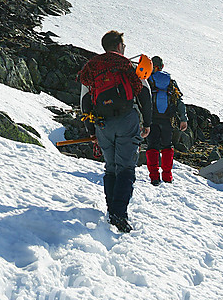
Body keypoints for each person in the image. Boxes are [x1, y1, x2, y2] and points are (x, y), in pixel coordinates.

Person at [78, 30, 152, 233]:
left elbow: (85, 100)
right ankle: (119, 215)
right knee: (126, 168)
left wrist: (90, 129)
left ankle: (112, 211)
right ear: (119, 46)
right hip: (126, 119)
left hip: (102, 123)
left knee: (110, 167)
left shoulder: (92, 67)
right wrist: (147, 122)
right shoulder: (127, 64)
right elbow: (144, 93)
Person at [146, 55, 188, 186]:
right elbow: (179, 101)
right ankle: (167, 176)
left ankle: (154, 177)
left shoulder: (148, 80)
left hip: (152, 119)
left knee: (152, 147)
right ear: (162, 66)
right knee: (167, 146)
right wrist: (183, 119)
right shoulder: (170, 82)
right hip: (167, 119)